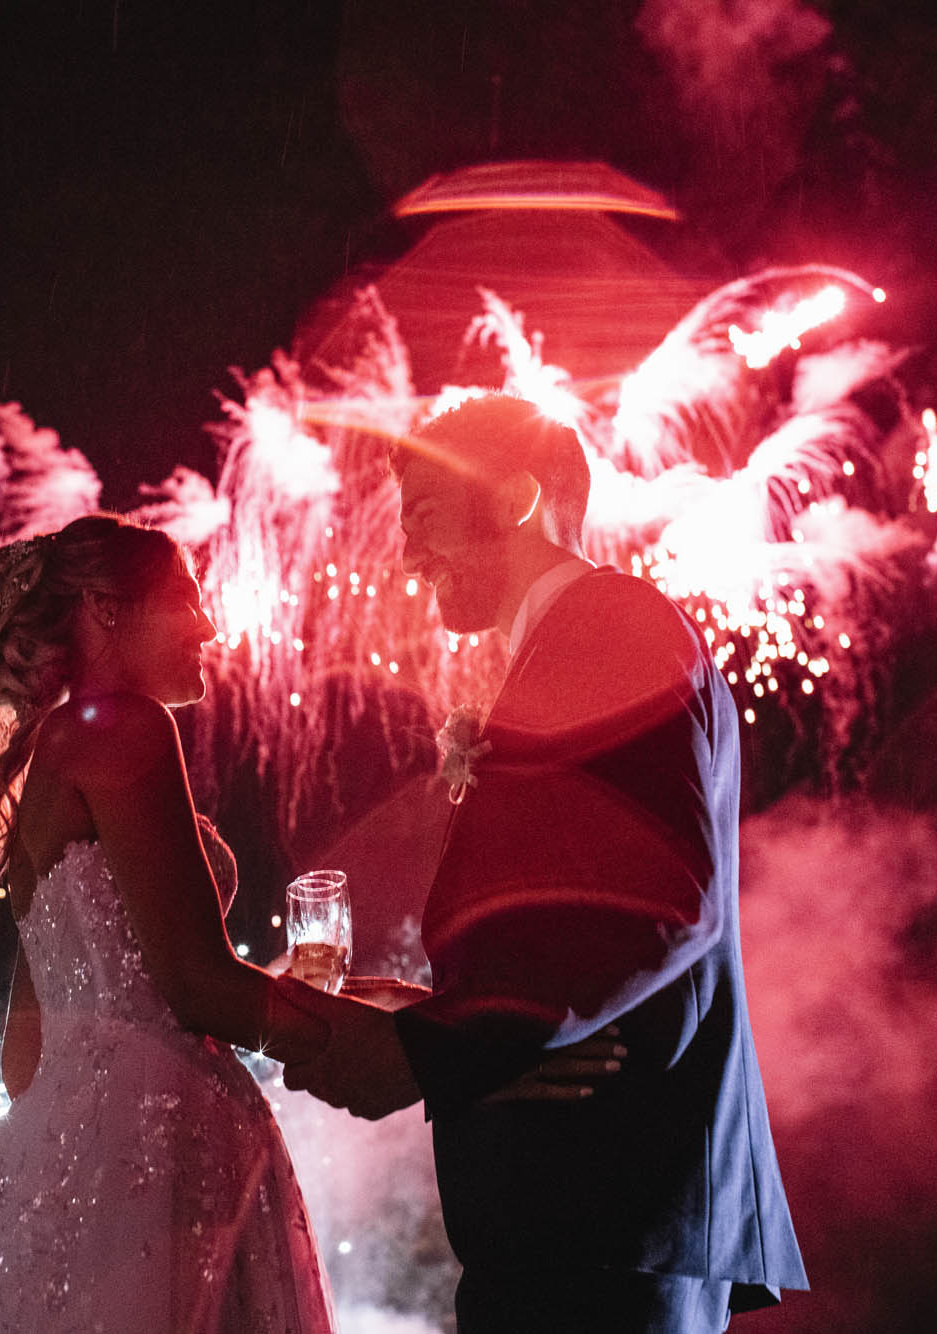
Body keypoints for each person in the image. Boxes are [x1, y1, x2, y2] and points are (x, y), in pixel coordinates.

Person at [0, 512, 619, 1332]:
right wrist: (423, 1057)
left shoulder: (55, 756)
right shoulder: (125, 725)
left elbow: (27, 1056)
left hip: (69, 1156)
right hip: (160, 1154)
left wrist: (407, 1010)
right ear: (105, 608)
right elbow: (198, 984)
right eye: (185, 600)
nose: (209, 626)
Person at [281, 394, 808, 1333]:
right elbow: (569, 929)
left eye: (425, 519)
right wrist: (423, 1010)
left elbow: (661, 904)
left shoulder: (610, 625)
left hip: (606, 1211)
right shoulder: (570, 644)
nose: (406, 556)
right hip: (586, 1219)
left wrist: (427, 1056)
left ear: (516, 499)